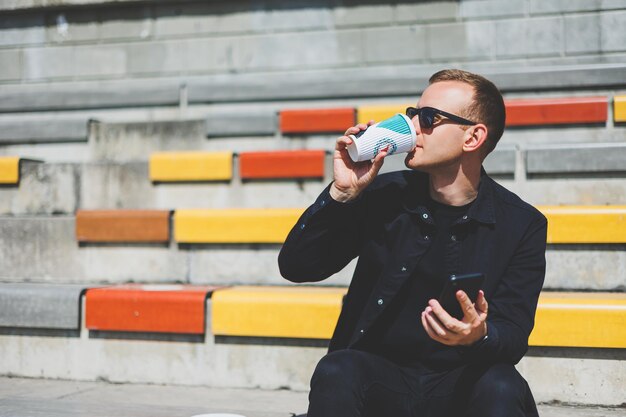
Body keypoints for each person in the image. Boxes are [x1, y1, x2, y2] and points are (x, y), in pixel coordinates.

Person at [278, 69, 547, 417]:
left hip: (459, 384)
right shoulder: (384, 194)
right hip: (381, 379)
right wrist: (341, 194)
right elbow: (297, 267)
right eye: (413, 114)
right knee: (338, 369)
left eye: (429, 118)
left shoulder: (521, 223)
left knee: (502, 385)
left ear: (473, 137)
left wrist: (478, 335)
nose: (413, 127)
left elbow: (513, 333)